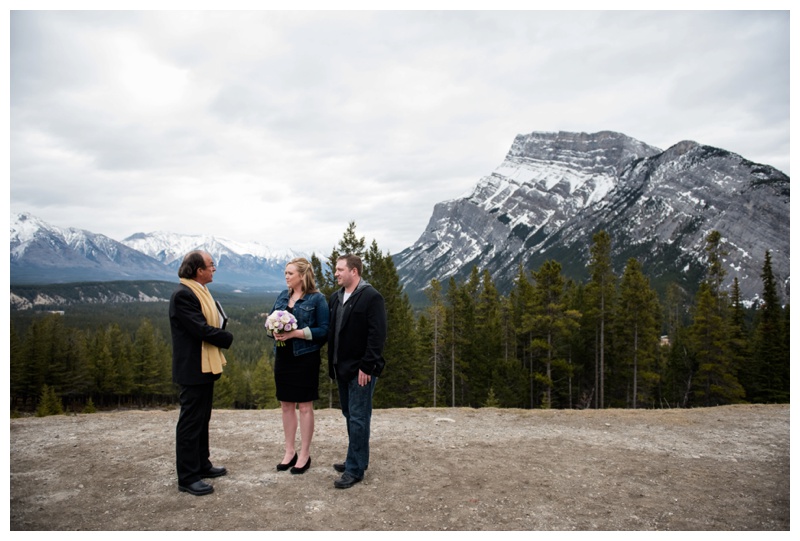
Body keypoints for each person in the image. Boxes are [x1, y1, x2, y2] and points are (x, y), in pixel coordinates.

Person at [169, 250, 234, 496]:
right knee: (190, 422)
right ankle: (187, 476)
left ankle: (202, 464)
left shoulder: (200, 291)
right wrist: (226, 337)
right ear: (199, 270)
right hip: (193, 367)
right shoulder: (183, 295)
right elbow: (199, 329)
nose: (214, 268)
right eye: (211, 265)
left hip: (204, 366)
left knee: (202, 418)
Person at [327, 254, 386, 489]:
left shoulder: (371, 297)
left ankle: (355, 469)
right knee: (350, 416)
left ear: (354, 271)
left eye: (340, 269)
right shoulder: (336, 297)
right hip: (341, 367)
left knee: (359, 417)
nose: (336, 273)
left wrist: (367, 366)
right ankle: (357, 458)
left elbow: (377, 335)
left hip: (361, 370)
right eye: (335, 269)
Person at [267, 257, 329, 474]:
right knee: (286, 405)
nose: (286, 277)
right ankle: (289, 451)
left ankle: (304, 454)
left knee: (304, 406)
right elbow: (270, 321)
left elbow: (324, 331)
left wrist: (296, 333)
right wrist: (272, 332)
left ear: (302, 275)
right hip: (283, 357)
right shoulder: (283, 296)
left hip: (305, 358)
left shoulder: (317, 299)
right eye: (285, 273)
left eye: (290, 273)